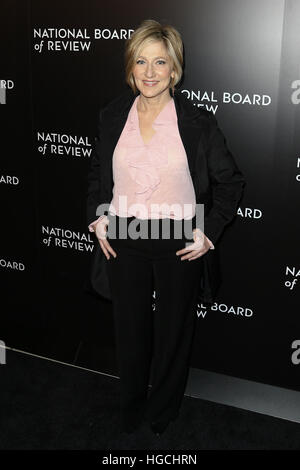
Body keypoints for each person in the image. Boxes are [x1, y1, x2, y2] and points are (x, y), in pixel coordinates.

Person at [86, 19, 246, 436]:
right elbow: (98, 172)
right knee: (131, 332)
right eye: (142, 61)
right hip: (124, 236)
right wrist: (99, 215)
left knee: (174, 332)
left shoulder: (196, 121)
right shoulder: (112, 115)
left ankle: (162, 411)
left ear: (174, 70)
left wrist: (208, 231)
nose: (151, 72)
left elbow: (230, 182)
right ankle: (131, 405)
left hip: (178, 238)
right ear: (131, 67)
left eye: (160, 62)